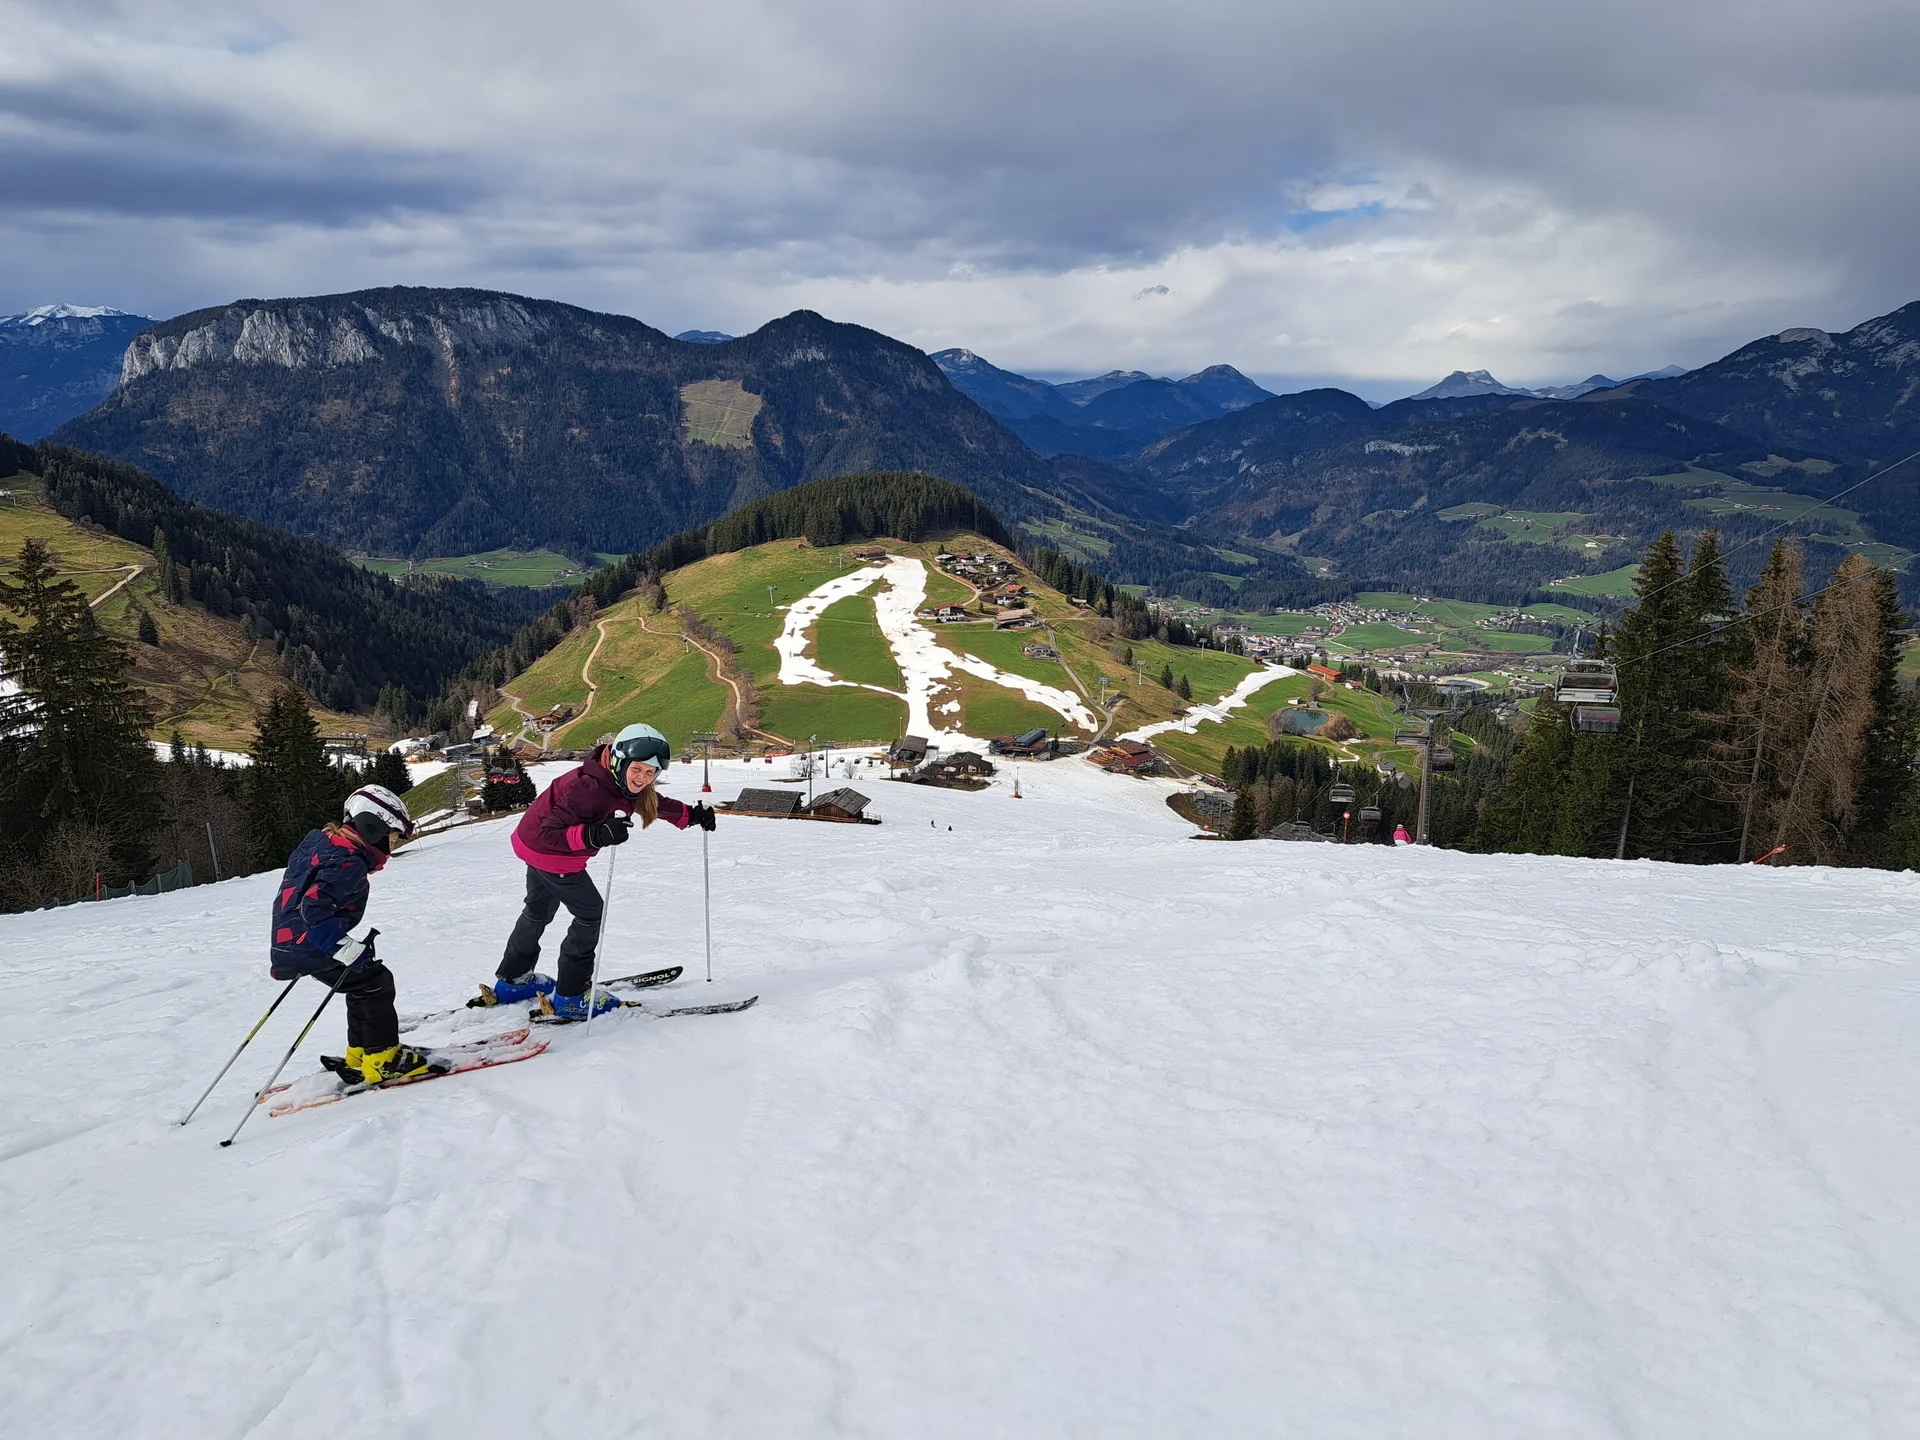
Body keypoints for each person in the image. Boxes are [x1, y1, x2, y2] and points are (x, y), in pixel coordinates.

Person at [492, 723, 716, 1019]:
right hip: (550, 851)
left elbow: (652, 803)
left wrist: (690, 815)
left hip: (528, 842)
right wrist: (594, 835)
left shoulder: (614, 777)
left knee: (538, 910)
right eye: (638, 769)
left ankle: (513, 981)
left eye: (651, 773)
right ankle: (572, 998)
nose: (643, 778)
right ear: (621, 761)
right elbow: (551, 834)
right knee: (590, 914)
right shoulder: (590, 789)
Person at [269, 784, 443, 1083]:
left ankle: (361, 1053)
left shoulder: (328, 846)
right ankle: (382, 1059)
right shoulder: (346, 864)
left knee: (362, 982)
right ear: (372, 827)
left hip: (289, 943)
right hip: (309, 943)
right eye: (391, 838)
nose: (391, 847)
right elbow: (314, 911)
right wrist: (347, 949)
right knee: (377, 982)